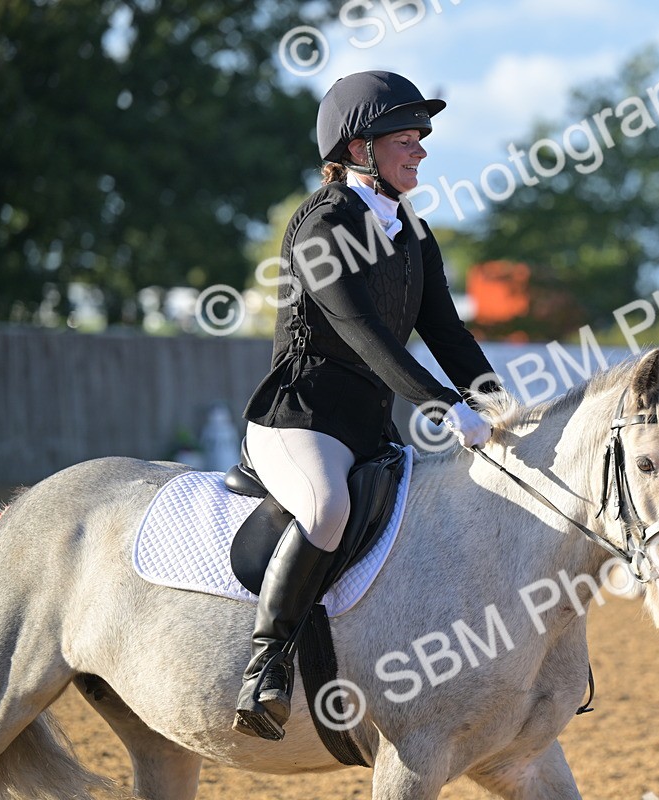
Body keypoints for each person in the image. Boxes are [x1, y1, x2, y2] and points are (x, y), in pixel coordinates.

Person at [233, 70, 500, 739]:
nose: (420, 150)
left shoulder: (412, 232)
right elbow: (365, 336)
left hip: (369, 428)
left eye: (421, 138)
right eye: (404, 138)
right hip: (300, 419)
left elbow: (447, 331)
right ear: (358, 150)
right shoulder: (320, 227)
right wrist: (442, 404)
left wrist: (496, 403)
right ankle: (264, 668)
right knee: (328, 506)